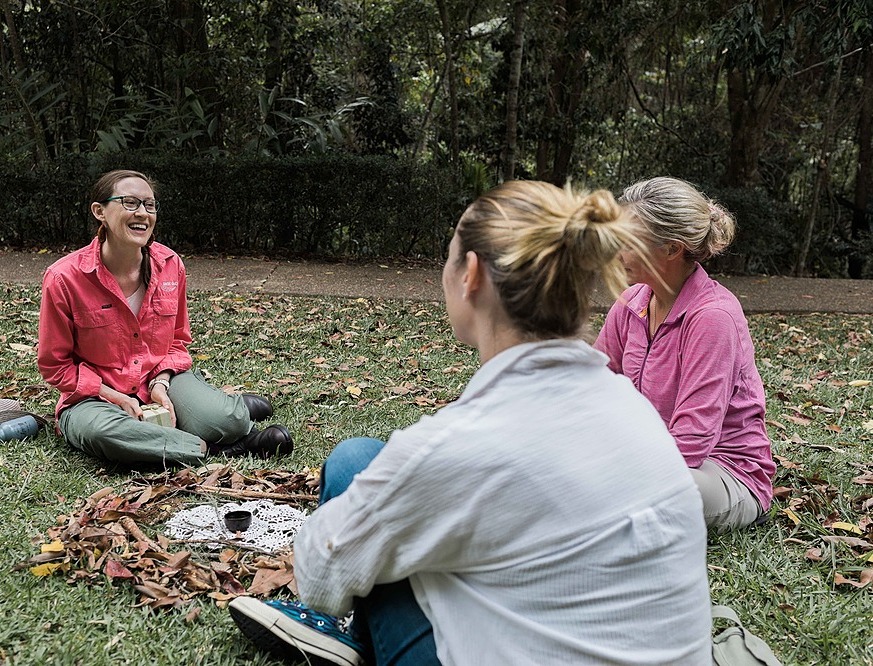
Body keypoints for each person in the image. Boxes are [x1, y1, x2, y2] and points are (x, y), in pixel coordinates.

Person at [228, 181, 712, 665]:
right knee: (359, 459)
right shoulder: (633, 410)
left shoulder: (460, 442)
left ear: (472, 275)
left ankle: (347, 636)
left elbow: (320, 575)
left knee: (360, 481)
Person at [37, 169, 293, 467]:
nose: (142, 213)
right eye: (130, 203)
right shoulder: (64, 278)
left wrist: (160, 383)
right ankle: (214, 448)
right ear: (100, 212)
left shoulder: (170, 265)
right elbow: (55, 366)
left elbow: (178, 342)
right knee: (104, 434)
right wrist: (116, 397)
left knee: (228, 422)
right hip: (94, 398)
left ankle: (225, 414)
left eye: (149, 204)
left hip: (157, 380)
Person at [595, 176, 775, 531]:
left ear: (672, 249)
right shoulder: (631, 304)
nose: (616, 251)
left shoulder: (713, 317)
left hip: (719, 471)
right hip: (644, 459)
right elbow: (591, 388)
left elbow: (691, 442)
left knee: (625, 491)